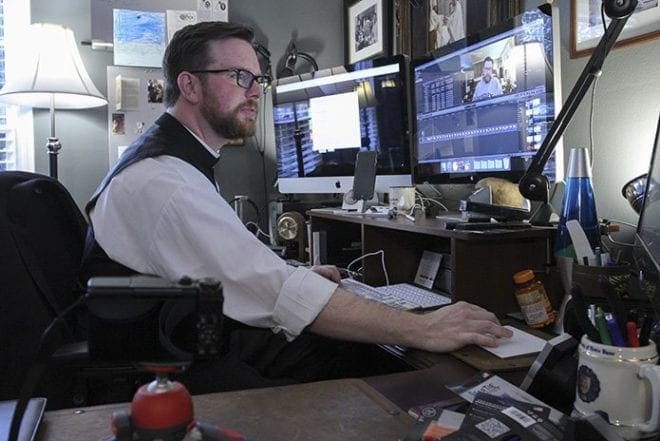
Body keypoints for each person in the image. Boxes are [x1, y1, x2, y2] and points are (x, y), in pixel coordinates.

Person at [83, 21, 512, 391]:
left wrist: (290, 275)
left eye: (257, 79)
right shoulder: (164, 179)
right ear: (189, 84)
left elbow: (223, 269)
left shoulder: (174, 160)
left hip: (186, 335)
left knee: (358, 346)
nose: (255, 92)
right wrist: (424, 326)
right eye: (239, 77)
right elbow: (278, 295)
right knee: (376, 362)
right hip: (175, 368)